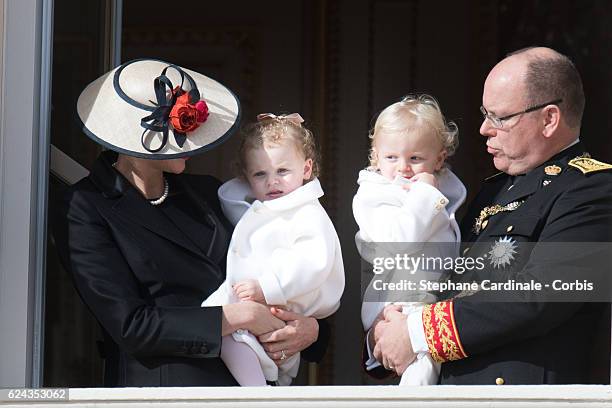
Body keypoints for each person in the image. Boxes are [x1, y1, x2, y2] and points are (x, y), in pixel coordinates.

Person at [53, 59, 329, 387]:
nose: (193, 136)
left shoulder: (211, 193)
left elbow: (284, 262)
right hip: (163, 393)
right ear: (132, 140)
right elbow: (131, 325)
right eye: (180, 129)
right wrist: (238, 316)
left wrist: (311, 329)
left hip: (251, 385)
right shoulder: (85, 207)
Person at [369, 46, 612, 384]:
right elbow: (446, 279)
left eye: (500, 117)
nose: (484, 128)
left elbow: (545, 292)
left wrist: (417, 332)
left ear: (549, 119)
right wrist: (386, 328)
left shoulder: (591, 189)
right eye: (485, 114)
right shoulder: (494, 190)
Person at [202, 113, 345, 386]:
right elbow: (234, 196)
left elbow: (312, 263)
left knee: (253, 347)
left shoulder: (308, 213)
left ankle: (260, 395)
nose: (272, 182)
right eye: (260, 174)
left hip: (284, 305)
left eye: (282, 171)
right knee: (217, 328)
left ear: (306, 169)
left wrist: (267, 287)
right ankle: (257, 392)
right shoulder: (262, 208)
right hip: (247, 302)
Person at [354, 95, 466, 385]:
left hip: (432, 298)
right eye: (391, 157)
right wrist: (425, 194)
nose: (403, 167)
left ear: (439, 158)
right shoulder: (372, 195)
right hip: (400, 299)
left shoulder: (437, 187)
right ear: (375, 156)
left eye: (415, 158)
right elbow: (401, 241)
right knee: (422, 368)